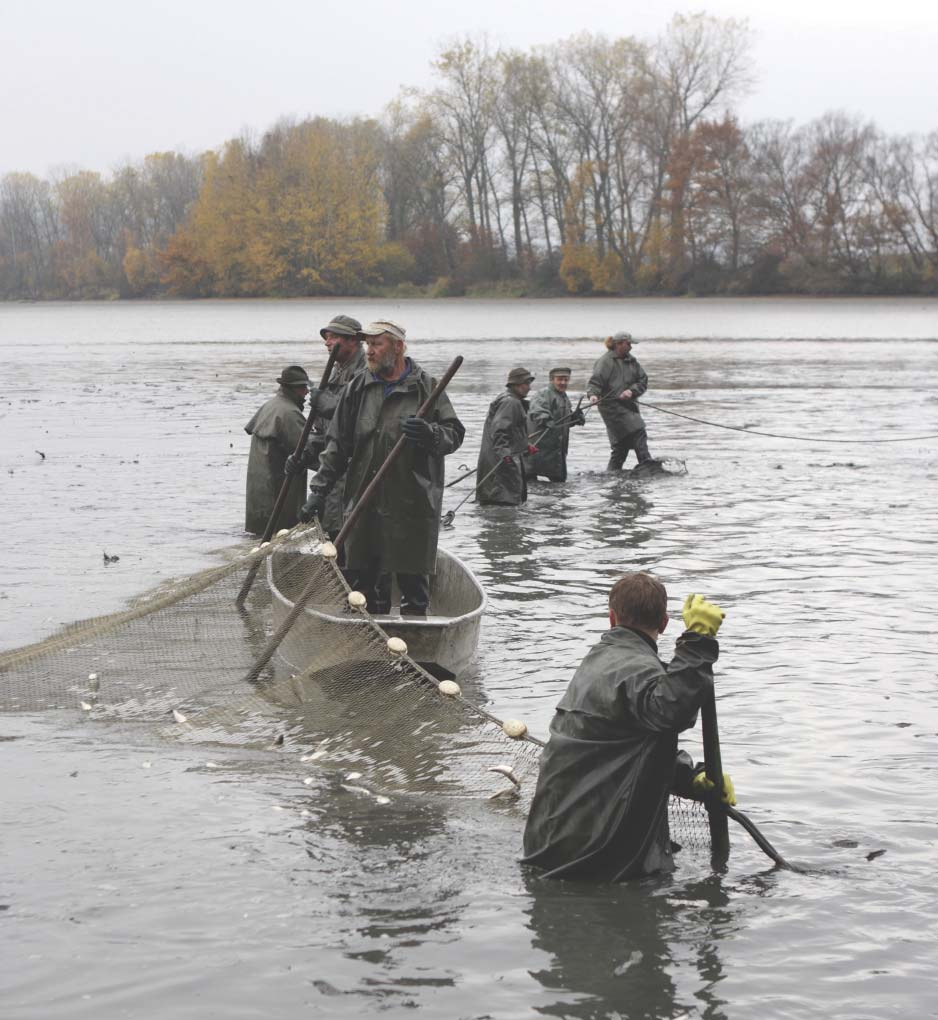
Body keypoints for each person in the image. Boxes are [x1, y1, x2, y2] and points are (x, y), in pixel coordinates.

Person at [522, 572, 735, 882]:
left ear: (611, 618)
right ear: (663, 624)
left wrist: (691, 777)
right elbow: (672, 710)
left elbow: (624, 745)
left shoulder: (594, 663)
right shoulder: (639, 670)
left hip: (546, 845)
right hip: (599, 858)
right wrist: (698, 641)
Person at [299, 319, 465, 616]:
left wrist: (431, 434)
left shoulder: (427, 387)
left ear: (398, 347)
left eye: (376, 345)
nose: (369, 352)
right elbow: (337, 446)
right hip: (365, 503)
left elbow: (454, 435)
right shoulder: (358, 389)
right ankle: (367, 650)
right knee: (362, 589)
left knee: (413, 588)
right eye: (367, 345)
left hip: (413, 503)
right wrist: (318, 492)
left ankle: (414, 646)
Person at [285, 314, 365, 537]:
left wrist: (329, 405)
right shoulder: (335, 372)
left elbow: (358, 422)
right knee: (330, 531)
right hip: (331, 472)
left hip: (352, 475)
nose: (327, 343)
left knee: (346, 534)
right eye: (327, 338)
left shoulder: (366, 373)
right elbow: (325, 431)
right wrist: (304, 453)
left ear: (353, 340)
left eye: (334, 337)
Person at [243, 365, 310, 535]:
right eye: (303, 387)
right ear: (292, 389)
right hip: (278, 502)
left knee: (261, 545)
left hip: (258, 505)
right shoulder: (288, 414)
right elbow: (311, 453)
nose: (307, 392)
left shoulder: (271, 405)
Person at [587, 331, 653, 470]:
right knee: (638, 431)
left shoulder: (632, 361)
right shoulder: (605, 362)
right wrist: (593, 395)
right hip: (611, 408)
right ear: (618, 344)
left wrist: (632, 391)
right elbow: (595, 383)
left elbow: (643, 380)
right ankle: (648, 466)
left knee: (621, 446)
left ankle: (612, 476)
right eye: (628, 344)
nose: (631, 347)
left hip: (630, 407)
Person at [476, 366, 538, 506]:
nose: (529, 388)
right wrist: (505, 455)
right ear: (516, 384)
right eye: (526, 384)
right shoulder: (510, 402)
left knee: (501, 499)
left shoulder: (510, 399)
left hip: (502, 457)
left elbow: (512, 432)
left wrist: (525, 446)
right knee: (504, 500)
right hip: (501, 462)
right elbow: (500, 431)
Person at [525, 367, 586, 483]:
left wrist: (575, 418)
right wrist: (546, 419)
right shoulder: (543, 394)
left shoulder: (564, 397)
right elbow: (536, 412)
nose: (563, 382)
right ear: (552, 380)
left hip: (557, 450)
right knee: (531, 478)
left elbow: (564, 421)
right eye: (559, 379)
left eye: (566, 380)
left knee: (559, 481)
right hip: (540, 447)